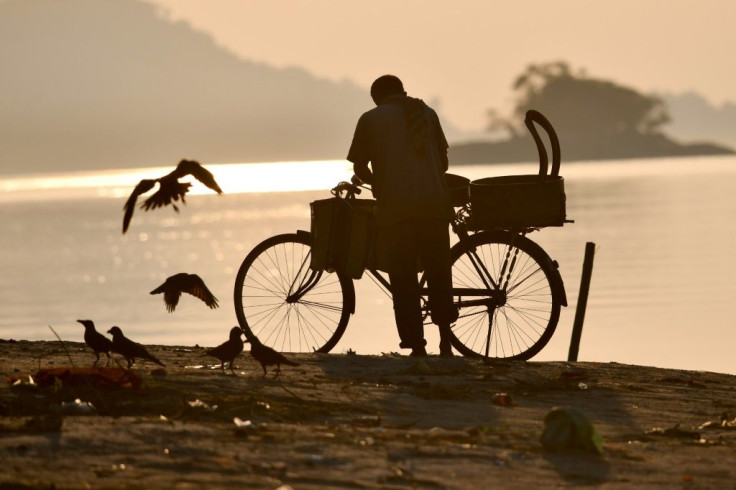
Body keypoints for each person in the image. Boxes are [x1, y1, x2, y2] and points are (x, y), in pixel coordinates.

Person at [347, 74, 458, 357]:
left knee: (403, 276)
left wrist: (380, 184)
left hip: (397, 210)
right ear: (402, 91)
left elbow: (359, 168)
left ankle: (417, 346)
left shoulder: (370, 119)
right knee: (439, 272)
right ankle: (446, 343)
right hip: (435, 206)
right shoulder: (427, 113)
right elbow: (443, 163)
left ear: (377, 97)